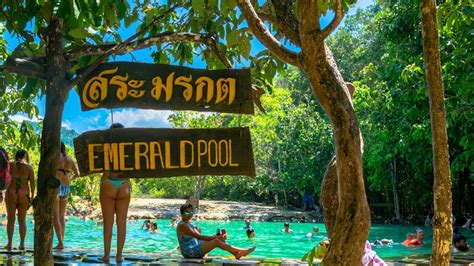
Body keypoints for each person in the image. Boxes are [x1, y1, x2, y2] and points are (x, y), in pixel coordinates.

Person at [99, 123, 131, 263]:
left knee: (108, 223)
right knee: (121, 222)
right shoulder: (130, 149)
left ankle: (106, 256)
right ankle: (118, 256)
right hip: (125, 184)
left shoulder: (106, 148)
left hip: (108, 182)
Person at [176, 204, 255, 259]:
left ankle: (236, 254)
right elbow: (199, 237)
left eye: (191, 212)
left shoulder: (188, 224)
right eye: (187, 212)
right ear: (182, 213)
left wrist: (215, 236)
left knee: (218, 240)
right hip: (189, 252)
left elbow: (198, 239)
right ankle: (242, 251)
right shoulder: (182, 225)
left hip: (194, 248)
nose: (190, 214)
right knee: (217, 241)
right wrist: (216, 237)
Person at [5, 149, 35, 250]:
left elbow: (5, 178)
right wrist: (32, 196)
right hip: (24, 194)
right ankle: (22, 244)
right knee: (22, 221)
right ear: (26, 156)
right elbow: (32, 184)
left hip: (11, 193)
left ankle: (9, 243)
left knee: (11, 220)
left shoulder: (10, 165)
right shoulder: (29, 168)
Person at [53, 142, 79, 250]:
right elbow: (77, 174)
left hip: (57, 186)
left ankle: (60, 242)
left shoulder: (55, 157)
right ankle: (61, 242)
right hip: (66, 187)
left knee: (55, 217)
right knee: (62, 217)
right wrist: (70, 179)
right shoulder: (70, 159)